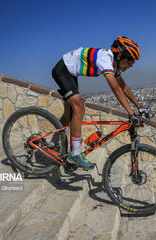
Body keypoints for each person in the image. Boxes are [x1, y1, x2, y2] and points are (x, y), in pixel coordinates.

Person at [50, 36, 148, 170]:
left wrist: (139, 106)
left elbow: (123, 86)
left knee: (69, 115)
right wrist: (131, 113)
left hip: (70, 73)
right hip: (62, 71)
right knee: (79, 107)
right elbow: (115, 88)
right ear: (119, 56)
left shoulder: (113, 64)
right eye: (130, 61)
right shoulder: (105, 59)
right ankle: (75, 154)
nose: (131, 65)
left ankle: (52, 143)